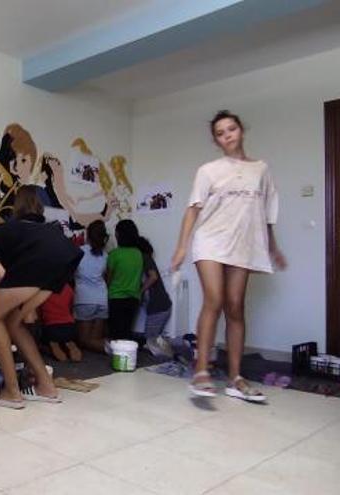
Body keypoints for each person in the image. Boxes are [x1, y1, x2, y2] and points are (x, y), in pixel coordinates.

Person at [171, 110, 286, 402]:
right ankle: (200, 371)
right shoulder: (208, 170)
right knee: (215, 299)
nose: (227, 135)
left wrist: (272, 247)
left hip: (244, 243)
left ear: (241, 131)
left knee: (235, 306)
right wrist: (182, 247)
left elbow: (267, 213)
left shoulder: (260, 168)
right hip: (210, 241)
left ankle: (235, 378)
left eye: (231, 129)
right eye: (221, 133)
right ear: (216, 140)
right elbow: (193, 209)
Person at [0, 186, 83, 409]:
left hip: (44, 253)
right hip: (64, 253)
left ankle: (11, 392)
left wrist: (23, 309)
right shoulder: (7, 244)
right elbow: (0, 304)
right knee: (13, 322)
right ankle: (47, 387)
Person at [106, 220, 145, 344]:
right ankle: (128, 356)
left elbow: (108, 279)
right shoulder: (138, 254)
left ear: (118, 235)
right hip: (134, 298)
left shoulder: (114, 255)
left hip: (116, 297)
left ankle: (118, 357)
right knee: (127, 330)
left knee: (116, 332)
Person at [74, 220, 109, 354]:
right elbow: (107, 277)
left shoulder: (79, 252)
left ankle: (115, 349)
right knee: (95, 339)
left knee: (84, 341)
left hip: (84, 300)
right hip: (102, 300)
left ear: (88, 235)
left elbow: (70, 272)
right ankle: (115, 345)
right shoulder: (105, 255)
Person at [137, 236, 174, 358]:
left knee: (150, 342)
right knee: (152, 339)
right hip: (163, 306)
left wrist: (140, 291)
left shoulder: (144, 258)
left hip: (158, 308)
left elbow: (153, 277)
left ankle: (169, 356)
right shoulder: (147, 258)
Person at [39, 282, 82, 362]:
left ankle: (54, 346)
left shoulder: (44, 289)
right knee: (69, 339)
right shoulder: (67, 288)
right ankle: (70, 344)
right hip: (69, 326)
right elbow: (71, 304)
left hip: (51, 327)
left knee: (52, 342)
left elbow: (39, 308)